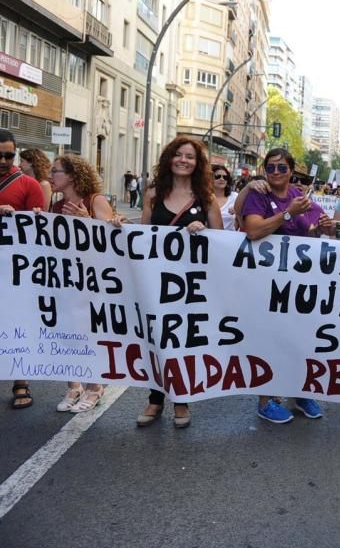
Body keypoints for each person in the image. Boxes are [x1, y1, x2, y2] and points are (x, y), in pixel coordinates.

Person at [136, 137, 223, 428]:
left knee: (181, 340)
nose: (183, 160)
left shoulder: (206, 198)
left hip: (190, 286)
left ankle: (182, 399)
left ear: (198, 164)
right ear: (169, 158)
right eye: (178, 155)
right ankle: (155, 398)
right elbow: (142, 235)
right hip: (156, 280)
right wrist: (117, 226)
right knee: (156, 337)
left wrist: (203, 231)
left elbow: (222, 241)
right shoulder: (152, 193)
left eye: (190, 157)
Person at [241, 148, 333, 424]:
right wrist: (288, 215)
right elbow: (254, 231)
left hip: (299, 285)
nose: (276, 173)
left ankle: (300, 392)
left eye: (282, 167)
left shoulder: (299, 197)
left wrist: (323, 228)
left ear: (291, 170)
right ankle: (266, 400)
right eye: (271, 168)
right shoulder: (259, 194)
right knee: (270, 341)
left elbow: (311, 232)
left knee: (300, 340)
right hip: (266, 285)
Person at [47, 155, 115, 412]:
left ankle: (95, 387)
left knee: (90, 334)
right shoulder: (55, 205)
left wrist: (87, 221)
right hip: (64, 280)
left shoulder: (95, 201)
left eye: (56, 172)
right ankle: (73, 385)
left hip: (92, 281)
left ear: (73, 176)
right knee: (68, 333)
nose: (50, 176)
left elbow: (111, 240)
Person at [0, 129, 46, 409]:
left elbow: (38, 230)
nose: (4, 160)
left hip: (15, 270)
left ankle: (21, 381)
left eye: (9, 154)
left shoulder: (29, 185)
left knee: (17, 324)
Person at [212, 164, 238, 231]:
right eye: (218, 176)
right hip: (209, 239)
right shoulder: (203, 197)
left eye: (225, 177)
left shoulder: (235, 197)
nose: (222, 179)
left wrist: (238, 212)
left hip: (230, 239)